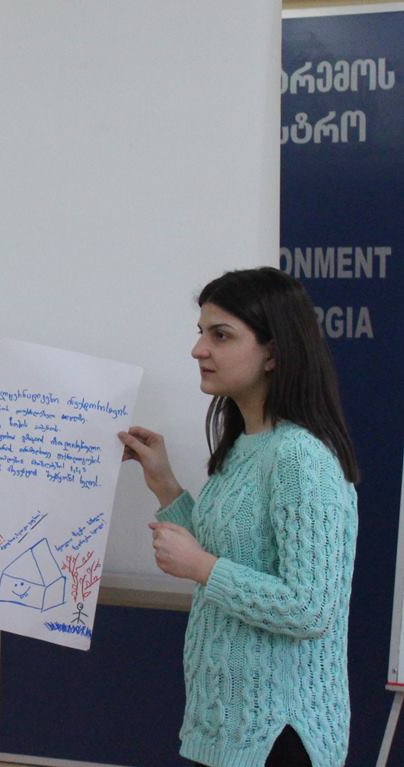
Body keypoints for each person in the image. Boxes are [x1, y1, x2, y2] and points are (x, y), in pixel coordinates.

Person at [118, 267, 358, 767]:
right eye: (201, 333)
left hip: (280, 734)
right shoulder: (245, 446)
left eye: (220, 335)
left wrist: (201, 567)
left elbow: (311, 608)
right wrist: (164, 484)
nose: (198, 350)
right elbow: (224, 555)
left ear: (273, 352)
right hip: (230, 727)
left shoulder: (299, 457)